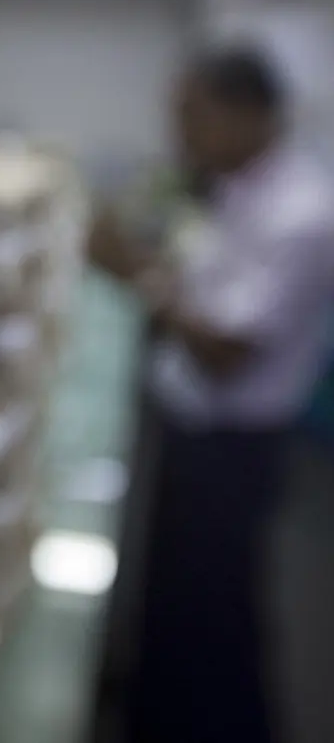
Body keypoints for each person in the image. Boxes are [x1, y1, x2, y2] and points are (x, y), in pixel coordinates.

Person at [89, 46, 334, 743]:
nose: (184, 137)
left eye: (194, 118)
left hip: (234, 448)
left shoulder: (302, 212)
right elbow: (202, 281)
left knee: (216, 614)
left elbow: (227, 352)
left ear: (249, 114)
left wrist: (133, 275)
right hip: (192, 427)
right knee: (176, 605)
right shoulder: (236, 187)